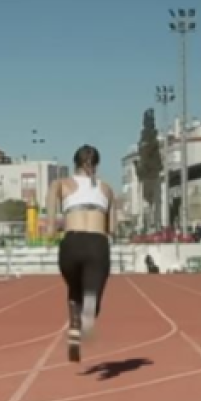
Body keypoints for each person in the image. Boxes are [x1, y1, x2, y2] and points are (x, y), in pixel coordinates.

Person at [45, 144, 115, 363]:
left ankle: (74, 326)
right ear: (97, 164)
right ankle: (86, 320)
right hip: (97, 243)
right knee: (91, 294)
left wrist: (50, 231)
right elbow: (112, 228)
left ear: (75, 163)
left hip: (71, 243)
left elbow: (50, 222)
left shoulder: (59, 184)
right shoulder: (107, 189)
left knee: (74, 289)